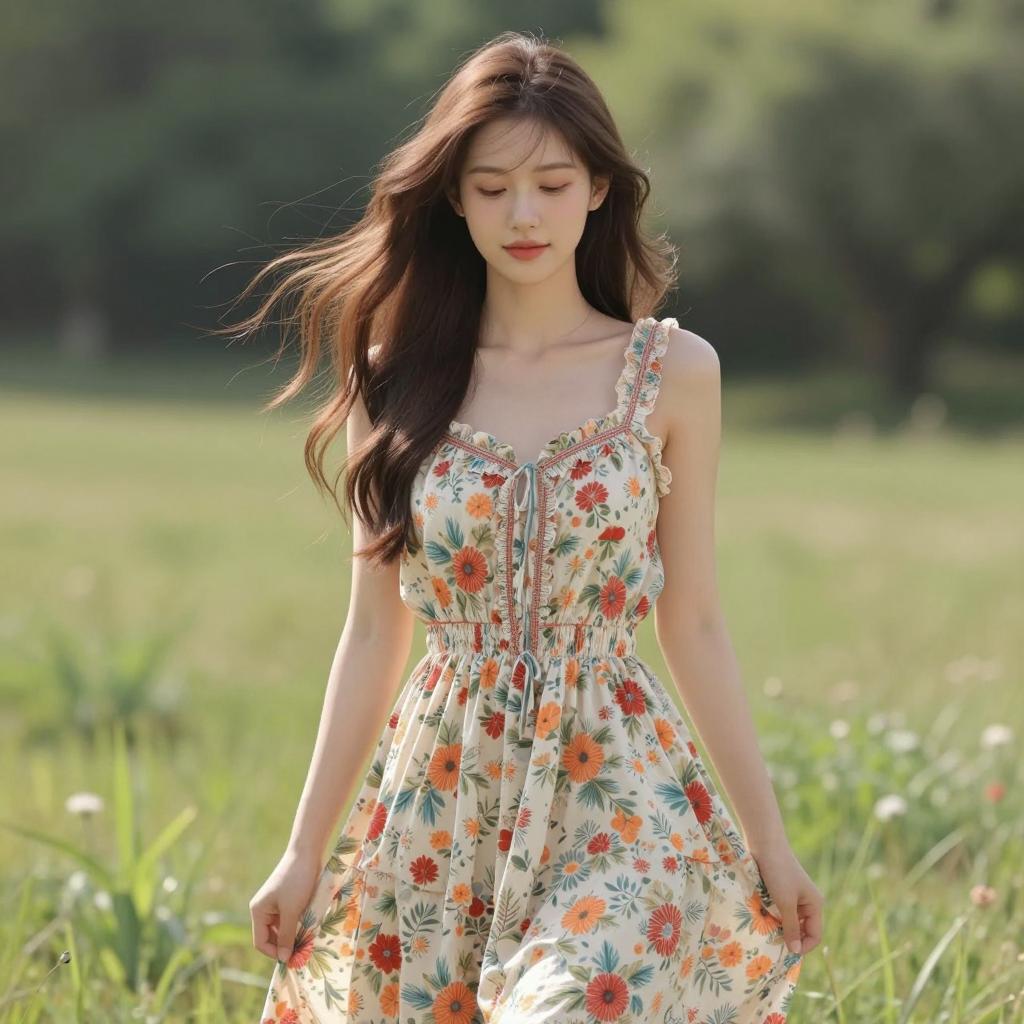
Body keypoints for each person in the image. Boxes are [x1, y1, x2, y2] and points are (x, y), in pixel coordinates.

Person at [232, 29, 823, 1024]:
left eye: (551, 184)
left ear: (599, 190)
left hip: (618, 786)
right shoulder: (393, 380)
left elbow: (693, 620)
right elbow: (372, 631)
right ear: (453, 199)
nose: (522, 214)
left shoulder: (674, 374)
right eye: (492, 185)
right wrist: (302, 852)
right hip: (443, 795)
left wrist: (769, 843)